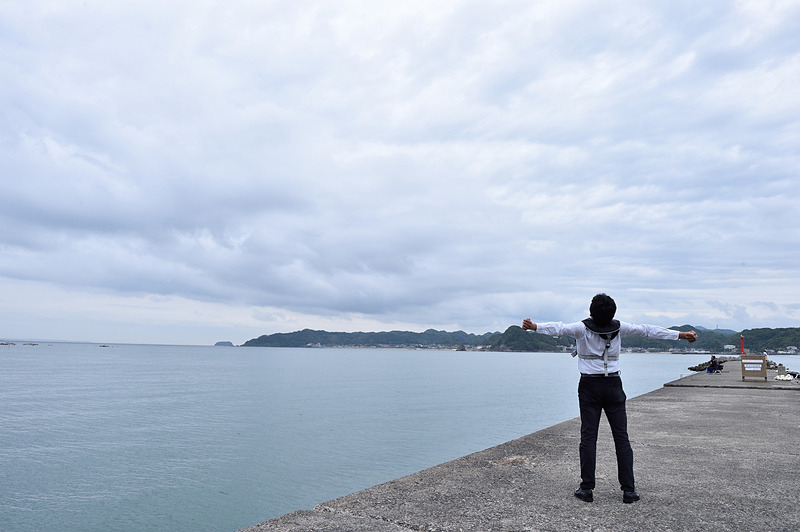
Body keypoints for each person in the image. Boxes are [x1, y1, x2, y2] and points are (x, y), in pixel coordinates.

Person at [522, 293, 697, 504]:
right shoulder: (620, 327)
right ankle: (629, 491)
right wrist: (681, 335)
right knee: (621, 437)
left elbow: (559, 328)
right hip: (614, 385)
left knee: (588, 437)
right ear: (613, 313)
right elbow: (648, 330)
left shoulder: (581, 328)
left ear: (590, 313)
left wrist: (534, 327)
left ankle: (586, 489)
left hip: (589, 386)